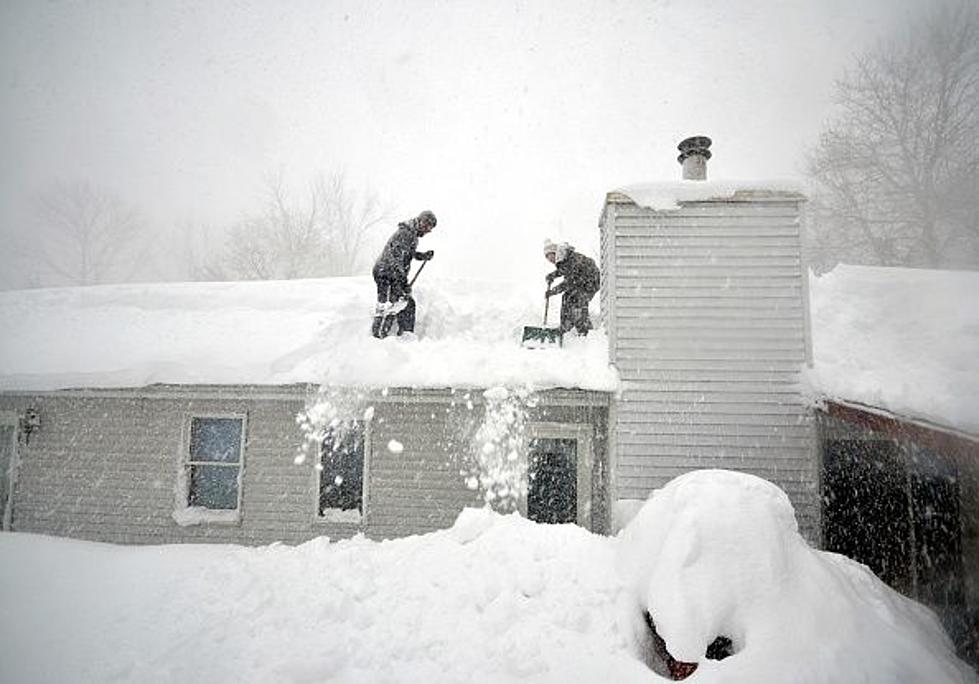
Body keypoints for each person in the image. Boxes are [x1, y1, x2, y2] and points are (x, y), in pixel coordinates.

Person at [371, 210, 437, 338]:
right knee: (391, 305)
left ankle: (403, 335)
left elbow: (407, 253)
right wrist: (403, 282)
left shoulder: (411, 234)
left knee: (403, 303)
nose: (428, 231)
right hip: (386, 273)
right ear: (422, 221)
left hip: (391, 273)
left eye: (430, 229)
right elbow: (395, 259)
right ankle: (379, 337)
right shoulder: (406, 233)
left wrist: (422, 256)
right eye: (428, 227)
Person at [543, 239, 600, 335]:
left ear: (555, 252)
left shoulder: (571, 259)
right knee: (567, 297)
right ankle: (565, 326)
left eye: (550, 256)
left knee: (578, 301)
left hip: (590, 281)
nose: (550, 260)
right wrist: (553, 275)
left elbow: (569, 282)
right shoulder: (565, 258)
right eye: (547, 258)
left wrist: (553, 291)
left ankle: (585, 331)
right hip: (583, 282)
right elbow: (564, 270)